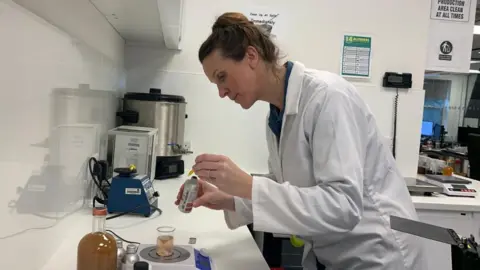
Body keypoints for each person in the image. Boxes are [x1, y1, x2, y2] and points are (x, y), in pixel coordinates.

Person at [175, 12, 427, 270]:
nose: (221, 92)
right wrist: (230, 198)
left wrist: (248, 185)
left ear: (251, 56)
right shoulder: (276, 114)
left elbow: (343, 206)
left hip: (378, 254)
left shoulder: (327, 97)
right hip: (335, 253)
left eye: (222, 77)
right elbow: (287, 186)